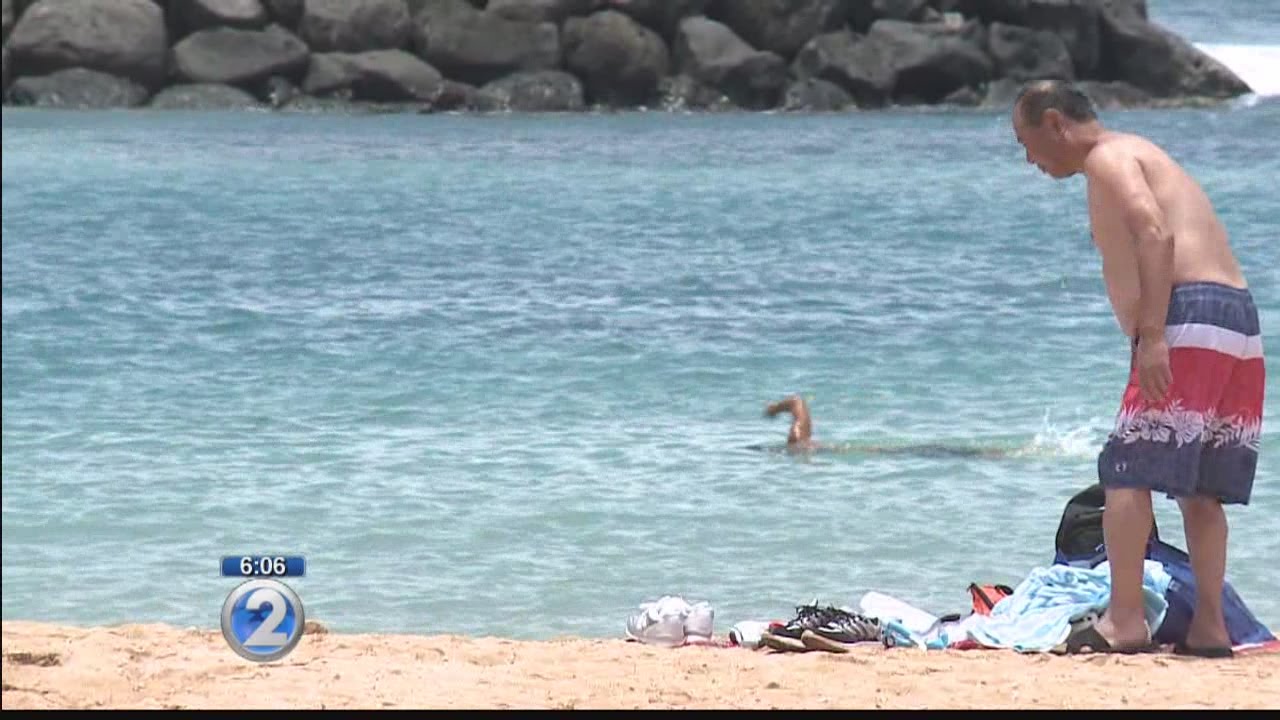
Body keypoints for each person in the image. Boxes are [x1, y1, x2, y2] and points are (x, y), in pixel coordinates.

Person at [1011, 80, 1264, 657]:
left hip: (1186, 316)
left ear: (1055, 123)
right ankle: (1209, 629)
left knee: (1126, 471)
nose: (1028, 158)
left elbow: (1154, 232)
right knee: (1200, 489)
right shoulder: (1139, 151)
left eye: (1026, 142)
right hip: (1234, 319)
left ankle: (1125, 621)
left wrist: (1152, 335)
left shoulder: (1106, 157)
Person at [760, 395, 1006, 458]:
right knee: (935, 452)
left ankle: (986, 454)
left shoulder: (796, 442)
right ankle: (987, 453)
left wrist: (772, 409)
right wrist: (774, 409)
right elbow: (797, 403)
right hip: (878, 451)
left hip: (878, 452)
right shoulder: (801, 442)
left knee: (934, 452)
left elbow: (797, 402)